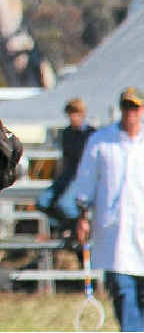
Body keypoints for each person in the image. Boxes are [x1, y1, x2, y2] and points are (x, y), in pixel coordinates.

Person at [67, 87, 144, 331]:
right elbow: (85, 182)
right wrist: (82, 217)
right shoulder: (101, 141)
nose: (130, 113)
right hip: (115, 235)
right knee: (123, 293)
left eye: (135, 107)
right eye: (126, 107)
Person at [36, 97, 96, 227]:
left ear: (82, 114)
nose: (73, 117)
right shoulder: (67, 133)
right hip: (68, 174)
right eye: (70, 114)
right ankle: (67, 227)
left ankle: (80, 228)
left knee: (65, 205)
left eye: (76, 113)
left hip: (82, 175)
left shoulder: (92, 134)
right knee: (42, 202)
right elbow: (65, 158)